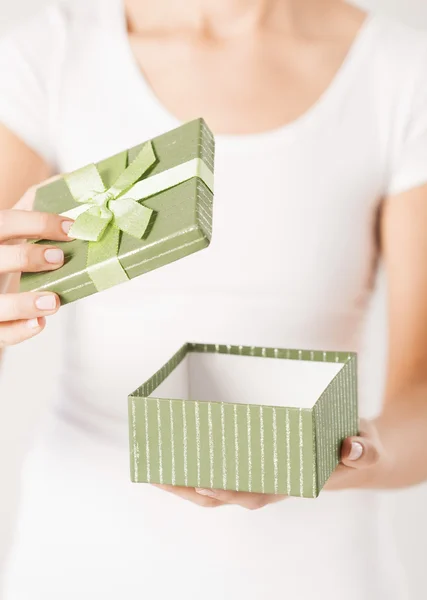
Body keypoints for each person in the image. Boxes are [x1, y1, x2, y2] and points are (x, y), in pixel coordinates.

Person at [0, 0, 426, 597]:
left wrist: (355, 453)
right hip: (81, 555)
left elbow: (422, 402)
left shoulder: (401, 71)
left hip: (316, 569)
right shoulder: (48, 53)